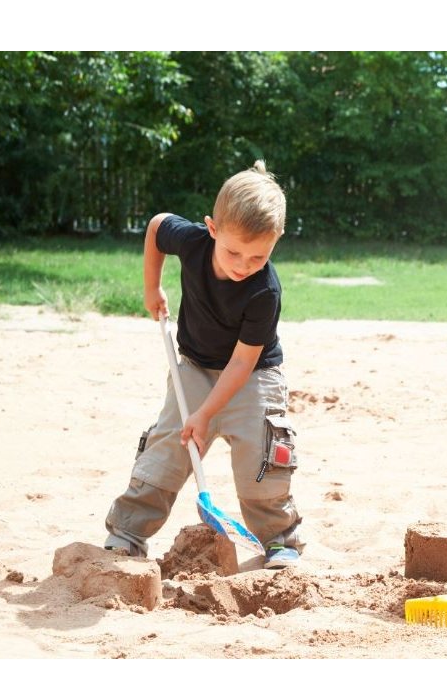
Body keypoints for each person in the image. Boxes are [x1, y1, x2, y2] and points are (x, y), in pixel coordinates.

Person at [103, 160, 303, 569]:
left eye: (258, 256)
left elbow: (243, 361)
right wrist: (151, 287)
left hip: (253, 376)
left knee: (260, 457)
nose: (243, 265)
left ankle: (279, 540)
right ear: (212, 228)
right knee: (168, 446)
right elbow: (157, 226)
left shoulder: (265, 292)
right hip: (194, 367)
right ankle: (128, 534)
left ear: (276, 241)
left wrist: (207, 413)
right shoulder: (192, 241)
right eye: (233, 252)